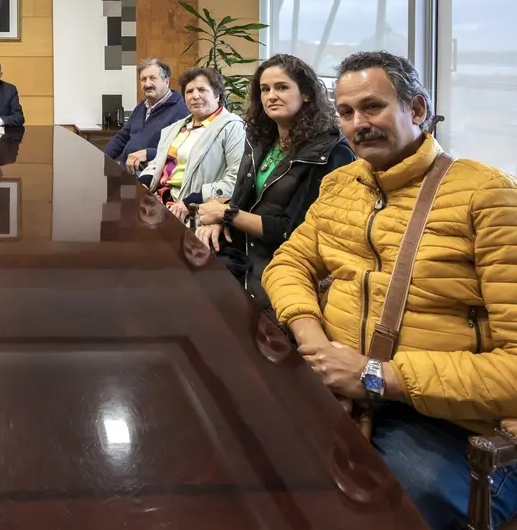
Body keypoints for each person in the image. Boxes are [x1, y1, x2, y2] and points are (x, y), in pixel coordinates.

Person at [262, 51, 517, 529]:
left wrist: (377, 376)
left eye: (373, 107)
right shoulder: (341, 185)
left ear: (417, 110)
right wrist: (318, 351)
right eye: (346, 112)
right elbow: (289, 263)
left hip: (445, 424)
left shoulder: (488, 198)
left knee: (377, 509)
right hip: (339, 387)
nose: (359, 124)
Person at [195, 55, 355, 316]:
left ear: (306, 94)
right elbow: (242, 203)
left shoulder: (331, 151)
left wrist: (226, 214)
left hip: (284, 269)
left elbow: (294, 232)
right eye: (265, 89)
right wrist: (218, 218)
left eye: (282, 87)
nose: (271, 96)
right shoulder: (259, 141)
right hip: (241, 256)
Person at [137, 67, 245, 222]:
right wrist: (144, 183)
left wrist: (190, 202)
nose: (195, 96)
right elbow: (157, 163)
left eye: (202, 90)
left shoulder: (232, 127)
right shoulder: (176, 128)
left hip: (193, 210)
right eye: (189, 91)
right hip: (158, 202)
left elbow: (236, 179)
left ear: (217, 94)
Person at [105, 58, 189, 170]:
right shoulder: (142, 107)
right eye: (143, 79)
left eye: (153, 78)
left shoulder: (181, 109)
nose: (147, 84)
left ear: (166, 82)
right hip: (126, 170)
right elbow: (122, 137)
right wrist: (102, 158)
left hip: (149, 175)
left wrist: (147, 154)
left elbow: (181, 150)